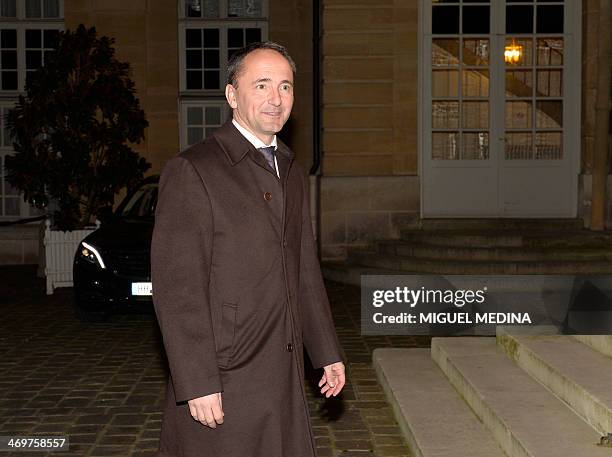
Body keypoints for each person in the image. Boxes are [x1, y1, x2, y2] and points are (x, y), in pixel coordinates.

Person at [151, 41, 346, 457]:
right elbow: (177, 288)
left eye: (285, 87)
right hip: (226, 371)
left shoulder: (290, 170)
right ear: (232, 95)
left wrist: (326, 350)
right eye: (261, 85)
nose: (276, 99)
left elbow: (303, 268)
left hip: (283, 369)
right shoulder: (194, 170)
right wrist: (198, 381)